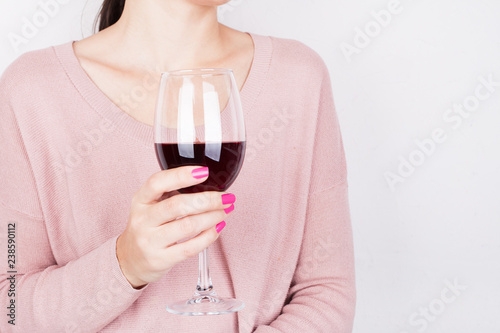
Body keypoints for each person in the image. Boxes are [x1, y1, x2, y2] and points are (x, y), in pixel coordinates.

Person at [0, 0, 356, 332]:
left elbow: (327, 292)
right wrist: (125, 264)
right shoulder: (31, 91)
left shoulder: (298, 77)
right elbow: (10, 309)